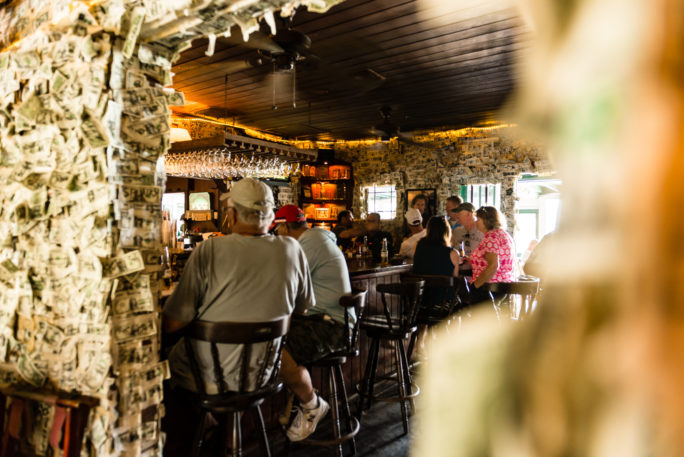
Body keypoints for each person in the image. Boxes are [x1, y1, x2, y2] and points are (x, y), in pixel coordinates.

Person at [161, 179, 318, 451]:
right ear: (270, 216)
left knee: (164, 367)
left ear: (231, 213)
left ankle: (206, 426)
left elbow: (174, 322)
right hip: (262, 374)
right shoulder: (292, 249)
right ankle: (222, 433)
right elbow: (303, 309)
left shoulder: (209, 250)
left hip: (208, 378)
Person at [271, 205, 353, 441]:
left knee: (275, 348)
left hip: (333, 327)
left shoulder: (308, 244)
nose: (277, 235)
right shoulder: (314, 239)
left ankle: (310, 403)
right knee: (275, 340)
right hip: (325, 320)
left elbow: (285, 283)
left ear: (286, 227)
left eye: (278, 230)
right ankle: (300, 395)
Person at [468, 206, 515, 304]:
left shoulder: (491, 237)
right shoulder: (503, 234)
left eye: (478, 219)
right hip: (503, 286)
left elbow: (493, 265)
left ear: (487, 220)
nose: (475, 222)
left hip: (489, 287)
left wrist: (475, 285)